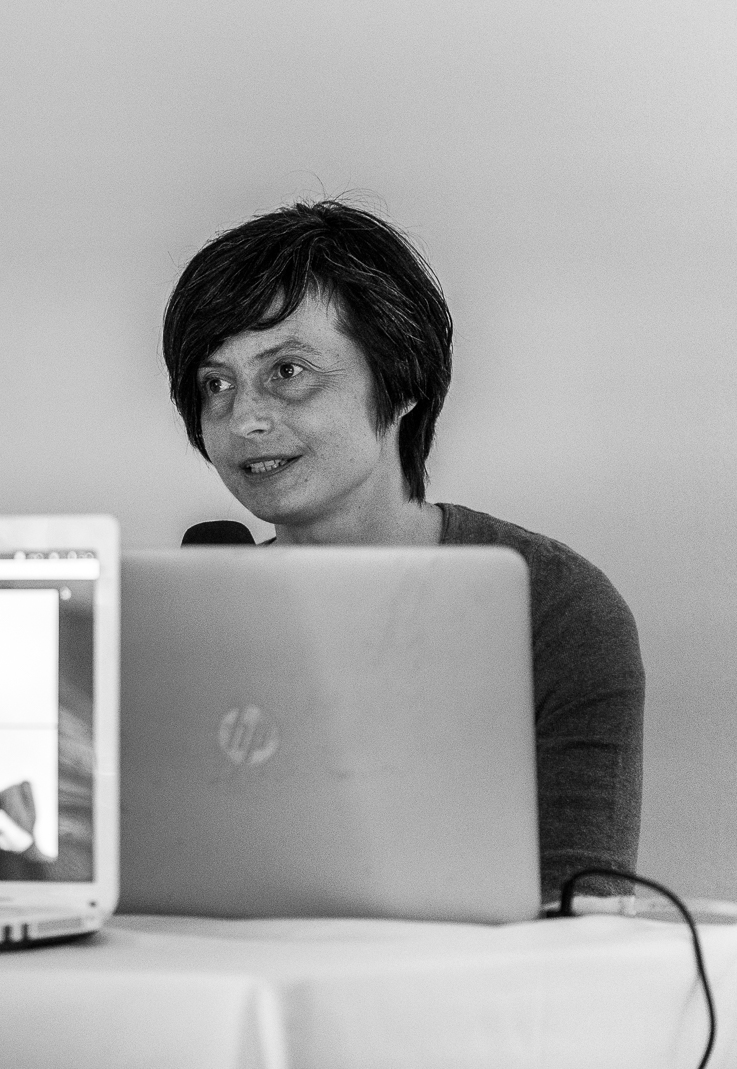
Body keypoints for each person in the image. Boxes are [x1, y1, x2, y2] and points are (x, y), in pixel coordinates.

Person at [161, 199, 643, 901]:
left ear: (402, 379)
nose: (244, 419)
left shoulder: (553, 607)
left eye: (287, 372)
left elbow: (582, 913)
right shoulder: (181, 618)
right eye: (217, 384)